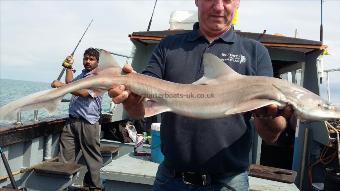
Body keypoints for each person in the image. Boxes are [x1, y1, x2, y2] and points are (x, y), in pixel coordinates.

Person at [109, 0, 293, 190]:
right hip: (171, 179)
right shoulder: (168, 46)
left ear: (237, 3)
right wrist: (130, 101)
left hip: (229, 183)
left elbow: (270, 136)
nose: (219, 6)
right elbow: (140, 110)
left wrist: (266, 114)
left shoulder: (255, 52)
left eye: (227, 0)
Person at [51, 48, 103, 191]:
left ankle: (95, 187)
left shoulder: (98, 77)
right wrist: (68, 67)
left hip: (89, 123)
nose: (88, 61)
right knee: (65, 157)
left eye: (91, 59)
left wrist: (61, 86)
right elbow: (71, 82)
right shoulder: (83, 75)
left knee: (92, 159)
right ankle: (64, 187)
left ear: (97, 62)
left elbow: (83, 92)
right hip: (72, 121)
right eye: (86, 58)